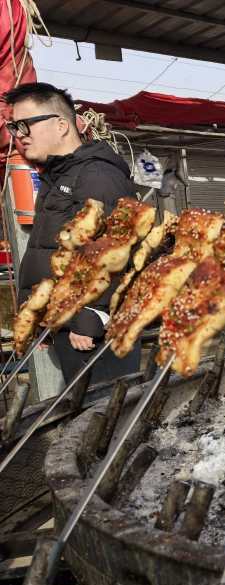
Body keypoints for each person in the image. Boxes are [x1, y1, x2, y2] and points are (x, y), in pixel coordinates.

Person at [5, 82, 140, 383]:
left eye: (25, 125)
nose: (19, 135)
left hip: (93, 331)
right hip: (68, 321)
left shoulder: (97, 174)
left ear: (62, 125)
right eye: (14, 127)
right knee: (83, 409)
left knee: (103, 407)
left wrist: (91, 315)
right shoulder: (59, 176)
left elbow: (117, 249)